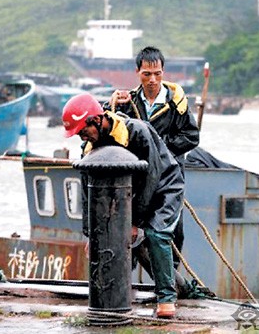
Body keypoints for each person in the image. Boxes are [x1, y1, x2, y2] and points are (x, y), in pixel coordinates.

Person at [62, 92, 183, 318]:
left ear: (96, 120)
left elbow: (152, 178)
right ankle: (118, 292)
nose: (82, 138)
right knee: (111, 236)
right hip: (133, 191)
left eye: (83, 132)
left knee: (156, 234)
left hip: (164, 186)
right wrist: (90, 233)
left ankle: (167, 298)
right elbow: (88, 191)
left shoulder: (138, 132)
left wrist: (134, 222)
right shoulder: (90, 148)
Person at [104, 46, 200, 269]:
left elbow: (191, 136)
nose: (153, 80)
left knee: (170, 231)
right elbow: (108, 127)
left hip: (168, 178)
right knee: (128, 227)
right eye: (147, 74)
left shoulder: (176, 103)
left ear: (163, 72)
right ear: (138, 72)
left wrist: (160, 149)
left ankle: (170, 288)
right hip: (138, 179)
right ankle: (124, 287)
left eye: (157, 73)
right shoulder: (129, 102)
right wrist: (111, 104)